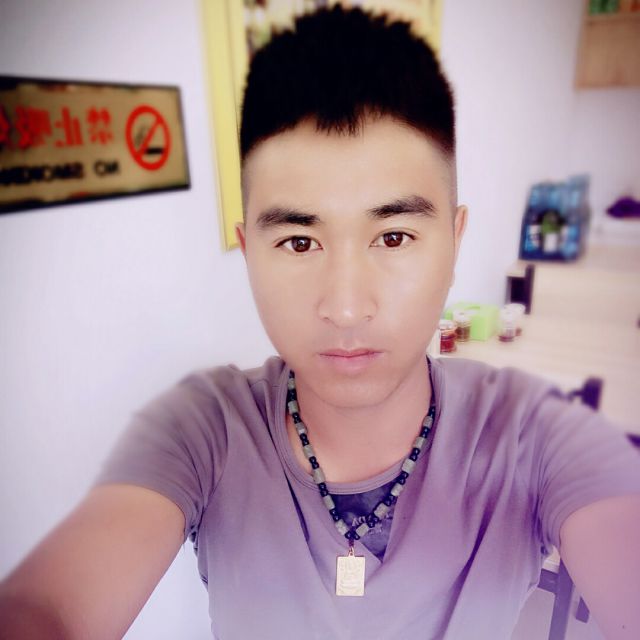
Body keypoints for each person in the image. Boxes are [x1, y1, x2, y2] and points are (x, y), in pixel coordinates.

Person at [1, 6, 639, 639]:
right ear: (248, 252)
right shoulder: (204, 429)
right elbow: (50, 610)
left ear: (454, 240)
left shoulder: (532, 434)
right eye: (300, 242)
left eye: (393, 236)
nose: (346, 307)